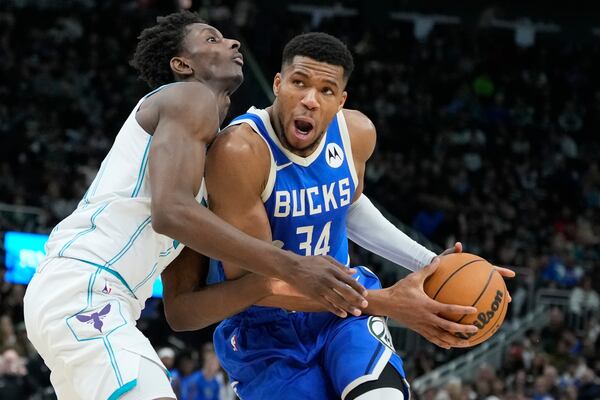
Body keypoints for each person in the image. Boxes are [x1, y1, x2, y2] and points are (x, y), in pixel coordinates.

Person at [22, 13, 368, 400]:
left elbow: (182, 312)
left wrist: (265, 283)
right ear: (182, 65)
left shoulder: (207, 163)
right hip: (84, 289)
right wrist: (292, 265)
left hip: (103, 302)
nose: (233, 43)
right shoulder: (189, 96)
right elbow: (170, 212)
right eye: (212, 39)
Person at [163, 32, 514, 399]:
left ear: (341, 100)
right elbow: (258, 285)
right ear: (278, 85)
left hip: (343, 309)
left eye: (326, 91)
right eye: (299, 84)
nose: (310, 101)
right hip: (266, 327)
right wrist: (386, 302)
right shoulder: (239, 152)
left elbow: (349, 204)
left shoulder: (356, 133)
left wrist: (431, 263)